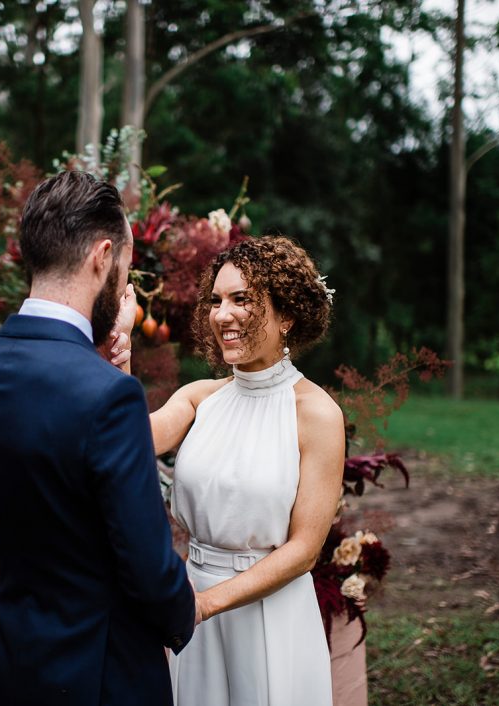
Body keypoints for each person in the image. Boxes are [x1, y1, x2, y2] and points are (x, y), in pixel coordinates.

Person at [0, 170, 198, 706]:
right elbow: (150, 568)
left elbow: (43, 503)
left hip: (11, 663)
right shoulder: (110, 397)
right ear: (102, 257)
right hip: (102, 673)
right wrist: (184, 617)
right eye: (126, 269)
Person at [146, 236, 345, 705]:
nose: (222, 314)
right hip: (192, 610)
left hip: (267, 615)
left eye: (242, 299)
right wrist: (109, 363)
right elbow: (121, 440)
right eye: (216, 300)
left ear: (287, 315)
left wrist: (205, 605)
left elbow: (304, 549)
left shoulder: (316, 413)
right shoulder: (199, 399)